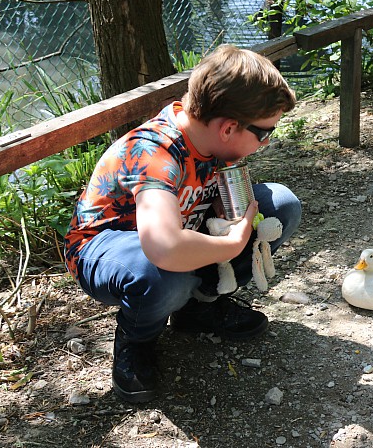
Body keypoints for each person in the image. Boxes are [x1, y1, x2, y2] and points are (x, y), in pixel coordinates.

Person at [64, 45, 302, 402]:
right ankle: (136, 339)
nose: (265, 143)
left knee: (280, 205)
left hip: (175, 232)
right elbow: (164, 247)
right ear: (229, 127)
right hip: (107, 248)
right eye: (264, 133)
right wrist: (232, 243)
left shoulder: (213, 140)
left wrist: (228, 212)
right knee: (161, 272)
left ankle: (200, 307)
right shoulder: (156, 152)